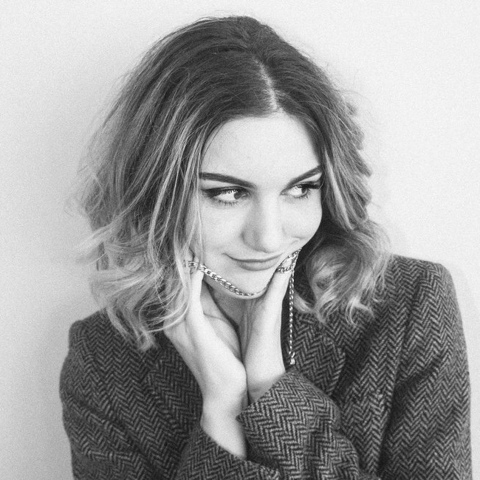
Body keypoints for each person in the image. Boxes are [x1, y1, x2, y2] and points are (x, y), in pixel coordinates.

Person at [60, 15, 471, 479]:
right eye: (228, 193)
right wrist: (223, 408)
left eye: (300, 189)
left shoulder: (410, 303)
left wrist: (272, 389)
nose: (270, 238)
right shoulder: (103, 360)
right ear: (156, 192)